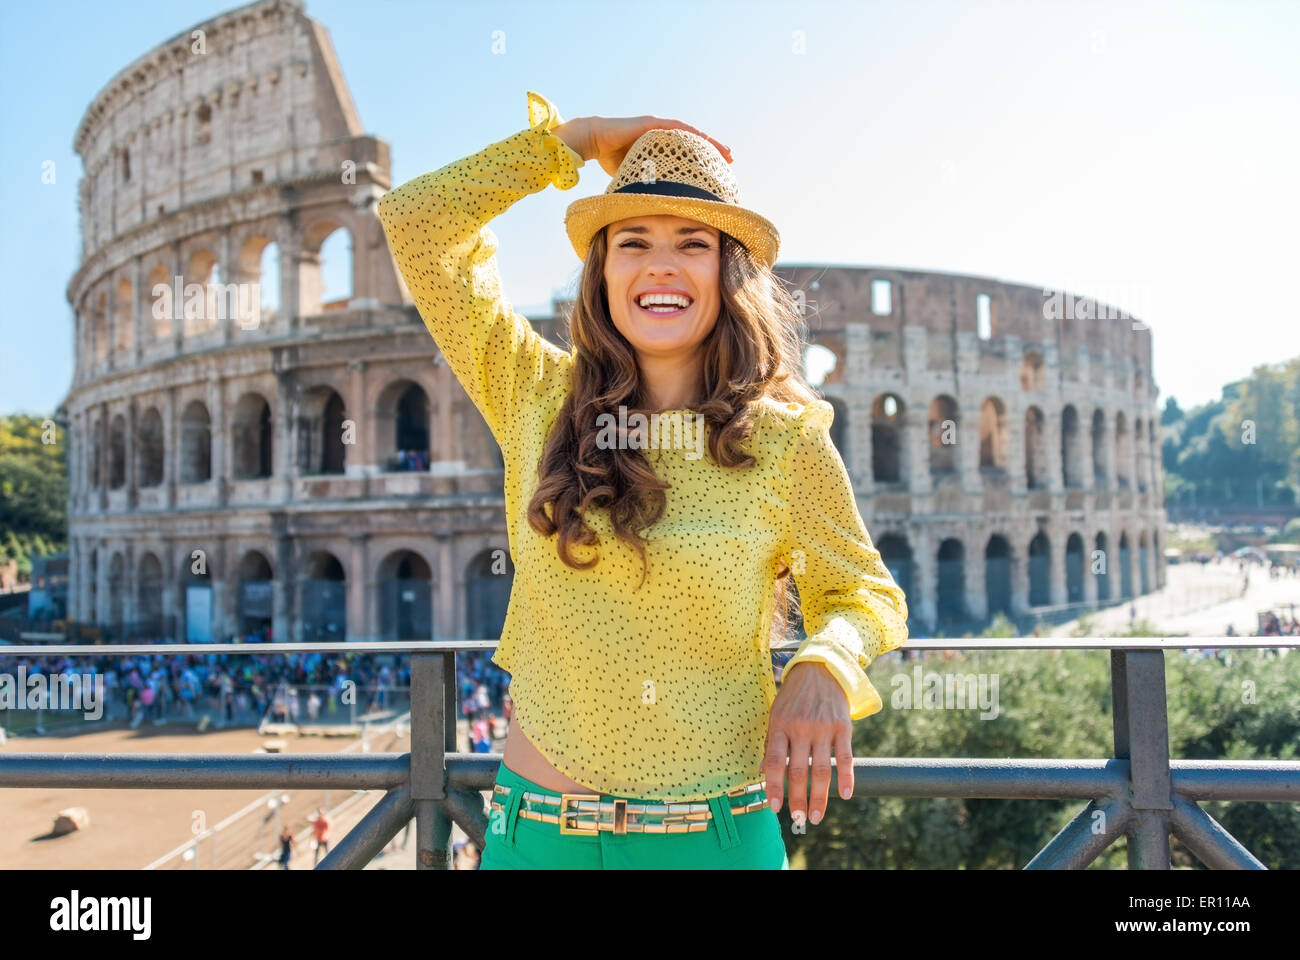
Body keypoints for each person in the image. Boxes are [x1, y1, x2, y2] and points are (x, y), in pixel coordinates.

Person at [376, 91, 908, 870]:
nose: (661, 264)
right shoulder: (533, 395)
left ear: (727, 273)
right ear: (603, 272)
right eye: (633, 241)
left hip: (720, 842)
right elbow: (418, 222)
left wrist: (824, 660)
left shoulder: (787, 439)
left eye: (692, 242)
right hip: (539, 840)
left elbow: (866, 593)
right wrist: (577, 141)